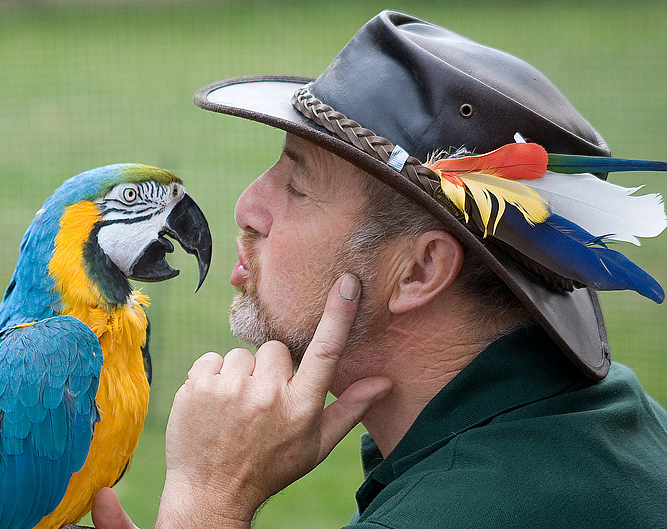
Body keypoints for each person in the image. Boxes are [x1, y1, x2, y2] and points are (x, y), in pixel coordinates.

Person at [88, 10, 667, 528]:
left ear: (419, 271)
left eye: (297, 184)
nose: (247, 208)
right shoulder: (605, 423)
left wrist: (206, 500)